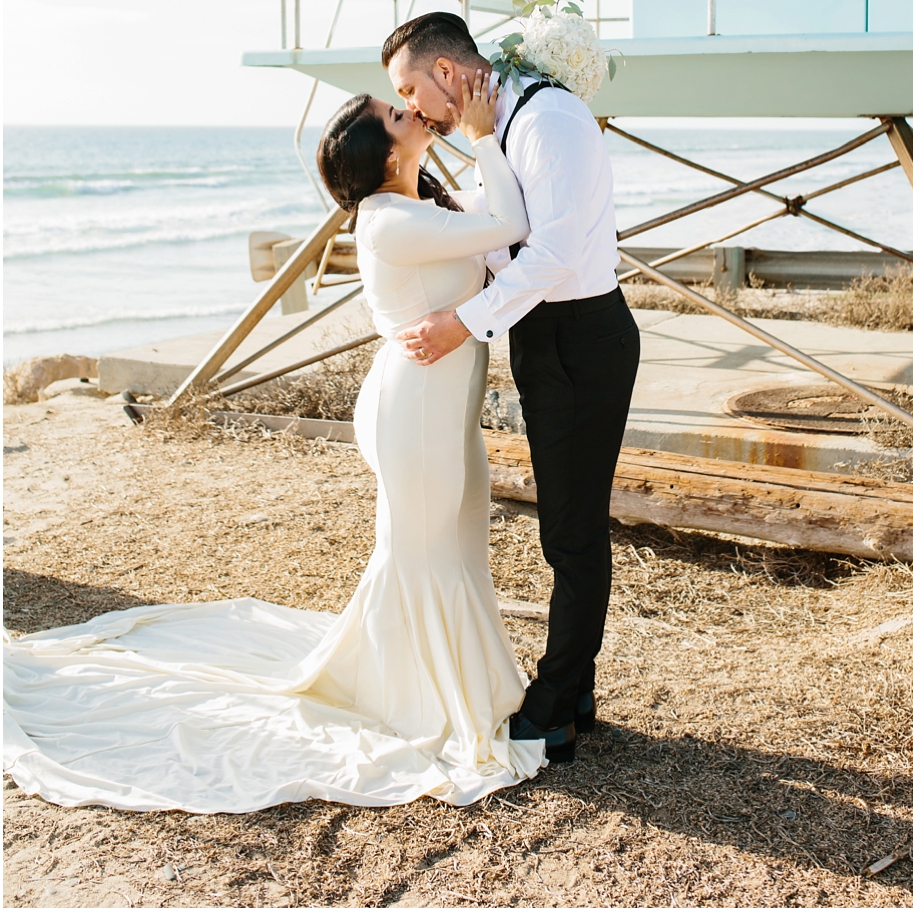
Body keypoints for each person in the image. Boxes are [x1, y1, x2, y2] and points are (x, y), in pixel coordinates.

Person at [3, 78, 549, 810]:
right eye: (396, 112)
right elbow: (511, 220)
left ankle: (472, 687)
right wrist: (483, 131)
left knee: (457, 546)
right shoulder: (388, 220)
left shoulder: (415, 206)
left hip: (441, 408)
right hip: (415, 409)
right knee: (420, 556)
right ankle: (424, 707)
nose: (411, 110)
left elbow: (496, 234)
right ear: (384, 154)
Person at [386, 12, 637, 765]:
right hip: (546, 335)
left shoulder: (549, 119)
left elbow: (554, 253)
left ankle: (556, 703)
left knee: (572, 528)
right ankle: (577, 688)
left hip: (581, 336)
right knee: (565, 522)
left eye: (409, 89)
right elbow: (506, 227)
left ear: (449, 74)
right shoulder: (500, 121)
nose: (412, 107)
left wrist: (463, 321)